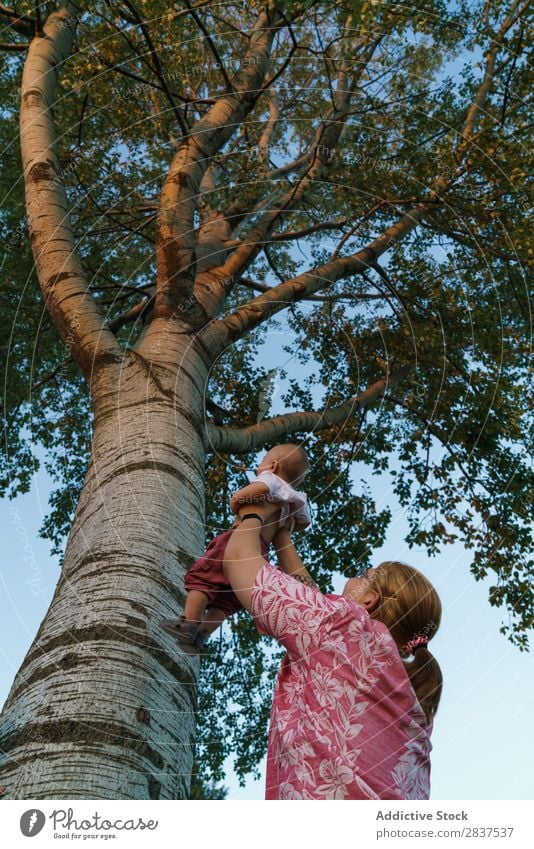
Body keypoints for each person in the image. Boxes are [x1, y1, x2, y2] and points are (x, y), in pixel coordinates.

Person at [223, 511, 443, 800]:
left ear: (369, 599)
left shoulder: (343, 626)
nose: (357, 575)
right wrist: (282, 538)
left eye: (366, 574)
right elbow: (309, 602)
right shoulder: (408, 693)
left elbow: (238, 558)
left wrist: (257, 511)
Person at [161, 444, 314, 654]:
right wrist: (283, 525)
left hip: (238, 540)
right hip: (260, 552)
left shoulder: (271, 479)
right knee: (227, 600)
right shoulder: (296, 498)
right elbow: (304, 523)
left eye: (262, 462)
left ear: (274, 465)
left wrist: (237, 501)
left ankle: (189, 623)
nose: (260, 468)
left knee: (204, 578)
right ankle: (201, 636)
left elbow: (256, 491)